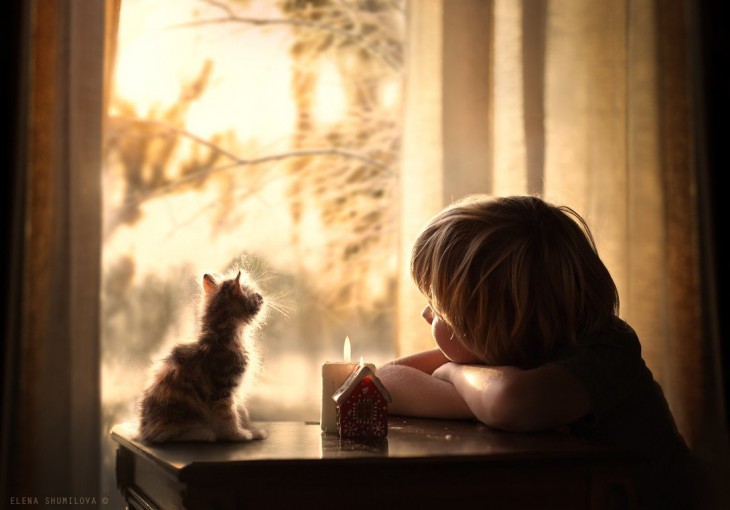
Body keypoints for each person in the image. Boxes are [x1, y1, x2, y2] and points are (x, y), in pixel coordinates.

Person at [377, 194, 693, 508]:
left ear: (486, 322)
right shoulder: (507, 346)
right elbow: (384, 380)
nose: (426, 315)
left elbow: (510, 403)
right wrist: (477, 396)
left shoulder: (607, 351)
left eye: (438, 309)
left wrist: (453, 373)